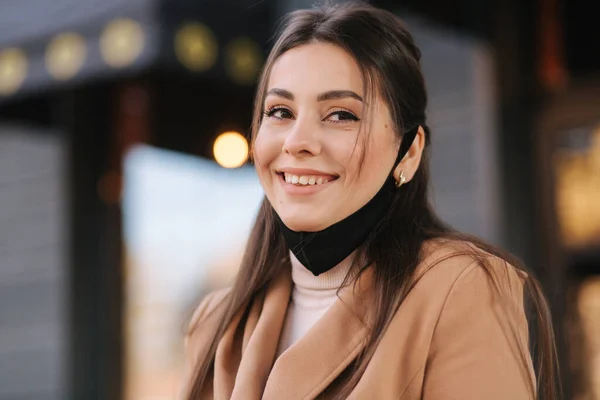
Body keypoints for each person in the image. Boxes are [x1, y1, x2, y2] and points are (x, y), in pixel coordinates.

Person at [180, 2, 560, 399]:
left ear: (408, 153)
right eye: (280, 111)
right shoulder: (216, 325)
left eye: (341, 115)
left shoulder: (459, 289)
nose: (297, 142)